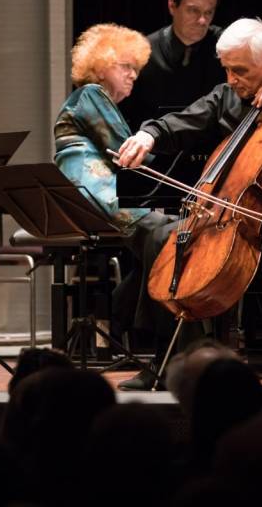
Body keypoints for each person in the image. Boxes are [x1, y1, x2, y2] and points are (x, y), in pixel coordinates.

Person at [117, 17, 262, 389]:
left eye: (240, 71)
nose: (232, 79)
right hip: (228, 216)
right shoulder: (226, 97)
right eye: (227, 70)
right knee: (159, 235)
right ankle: (173, 359)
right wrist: (149, 135)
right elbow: (181, 122)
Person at [54, 24, 173, 352]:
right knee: (169, 234)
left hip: (98, 193)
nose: (133, 75)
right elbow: (126, 151)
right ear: (101, 65)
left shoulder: (96, 100)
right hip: (91, 194)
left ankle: (122, 317)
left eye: (136, 69)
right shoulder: (92, 95)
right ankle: (150, 332)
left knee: (166, 238)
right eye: (126, 67)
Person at [119, 0, 226, 132]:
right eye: (193, 10)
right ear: (172, 5)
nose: (202, 20)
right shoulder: (142, 53)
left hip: (218, 147)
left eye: (209, 12)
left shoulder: (227, 47)